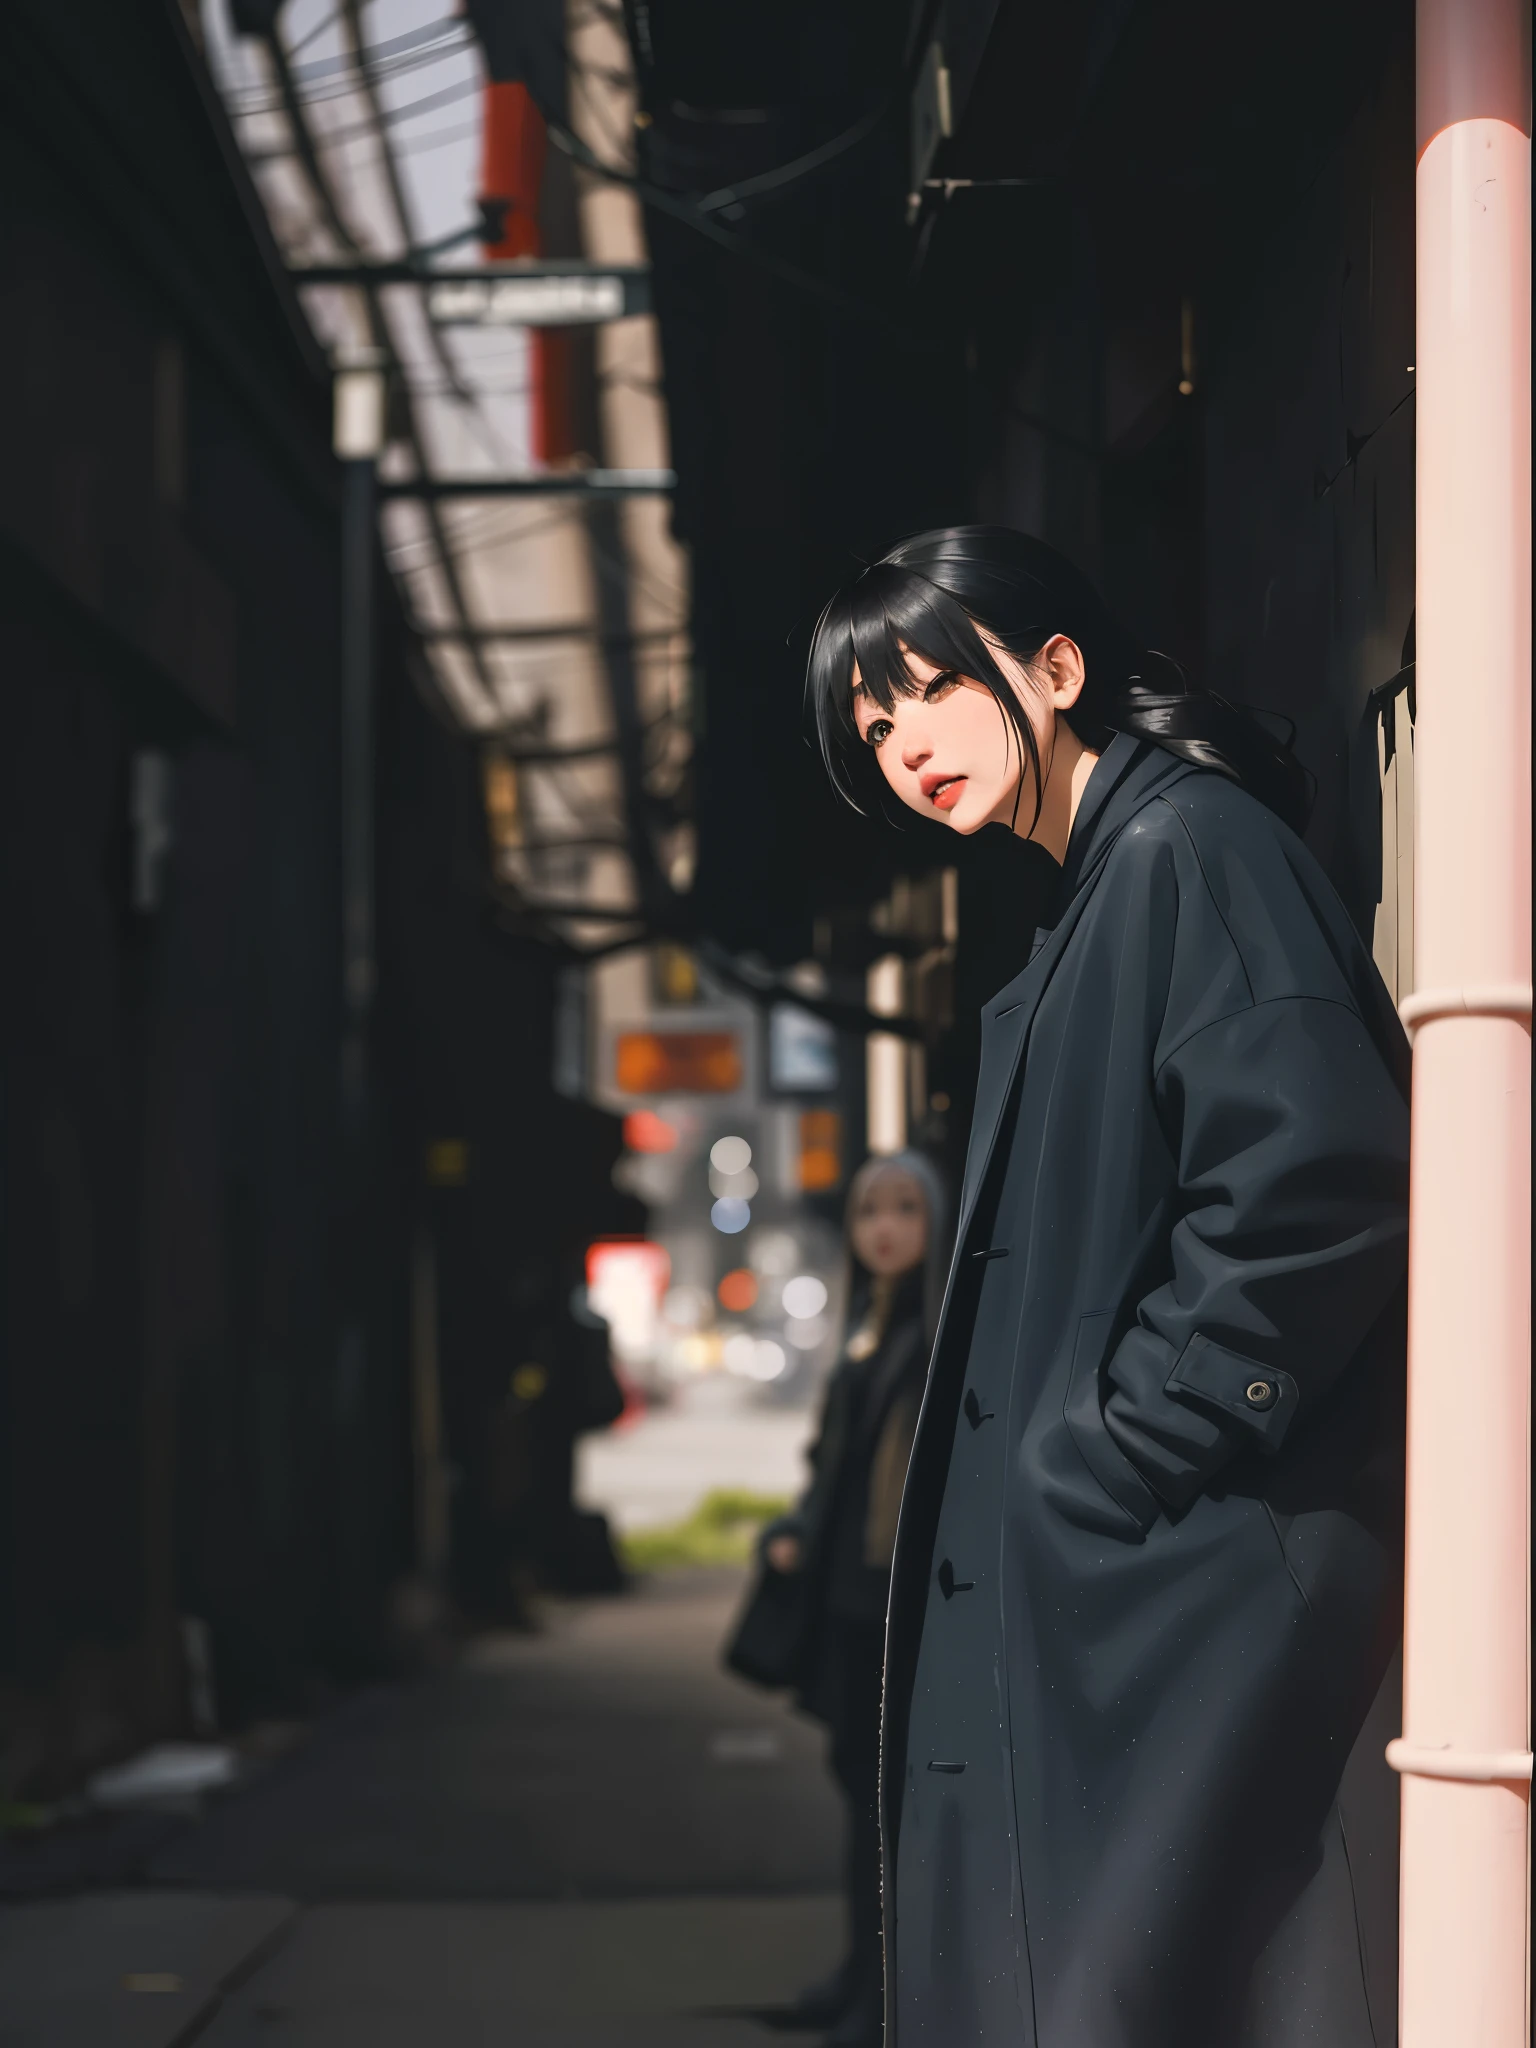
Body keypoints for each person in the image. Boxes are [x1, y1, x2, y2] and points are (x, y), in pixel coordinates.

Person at [806, 527, 1410, 2047]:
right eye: (874, 728)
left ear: (1055, 668)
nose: (905, 747)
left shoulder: (1182, 851)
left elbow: (1311, 1180)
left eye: (932, 690)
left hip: (1190, 1592)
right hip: (1144, 1592)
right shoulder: (1107, 891)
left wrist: (1121, 1456)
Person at [764, 1152, 947, 2048]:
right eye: (870, 1208)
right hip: (846, 1594)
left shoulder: (934, 1331)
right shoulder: (869, 1328)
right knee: (858, 1793)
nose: (885, 1226)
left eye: (907, 1208)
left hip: (889, 1598)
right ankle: (858, 1977)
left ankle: (880, 1994)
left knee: (886, 1803)